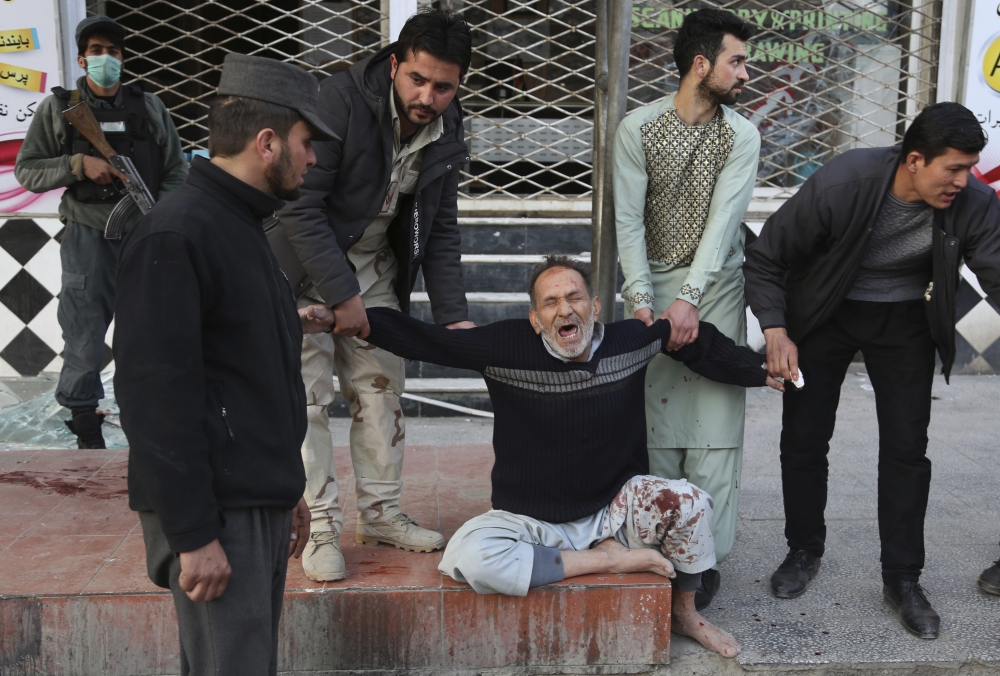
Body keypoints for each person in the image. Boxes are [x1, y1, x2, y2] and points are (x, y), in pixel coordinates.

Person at [355, 254, 785, 658]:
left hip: (612, 513)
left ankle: (686, 613)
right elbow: (425, 340)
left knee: (690, 502)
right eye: (551, 302)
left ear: (595, 305)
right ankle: (608, 560)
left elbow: (691, 339)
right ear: (535, 318)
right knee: (468, 556)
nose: (565, 309)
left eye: (574, 297)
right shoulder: (505, 346)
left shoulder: (629, 341)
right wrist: (355, 319)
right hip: (532, 521)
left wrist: (759, 369)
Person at [114, 54, 341, 675]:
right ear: (267, 143)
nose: (313, 158)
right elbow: (154, 398)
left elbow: (247, 372)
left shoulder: (242, 228)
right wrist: (192, 533)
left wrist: (282, 490)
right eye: (305, 143)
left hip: (250, 501)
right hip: (214, 515)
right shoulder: (178, 233)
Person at [744, 102, 1000, 639]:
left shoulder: (975, 202)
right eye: (952, 168)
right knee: (806, 438)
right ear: (914, 159)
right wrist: (775, 329)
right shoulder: (846, 181)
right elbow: (768, 256)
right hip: (824, 314)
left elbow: (998, 273)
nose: (963, 179)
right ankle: (803, 549)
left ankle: (903, 578)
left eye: (969, 167)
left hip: (906, 319)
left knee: (907, 449)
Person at [271, 9, 474, 582]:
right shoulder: (339, 101)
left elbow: (440, 224)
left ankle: (381, 514)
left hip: (377, 267)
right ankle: (321, 527)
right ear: (394, 65)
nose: (428, 96)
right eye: (418, 79)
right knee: (307, 401)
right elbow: (299, 206)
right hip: (303, 268)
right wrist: (339, 296)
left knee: (382, 391)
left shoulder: (448, 122)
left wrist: (454, 316)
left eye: (444, 86)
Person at [612, 8, 759, 609]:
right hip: (648, 291)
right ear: (702, 65)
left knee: (715, 432)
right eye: (737, 61)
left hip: (716, 290)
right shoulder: (637, 129)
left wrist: (691, 301)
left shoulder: (741, 134)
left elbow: (724, 223)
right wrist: (644, 302)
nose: (745, 74)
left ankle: (708, 561)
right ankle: (659, 550)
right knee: (658, 427)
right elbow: (627, 220)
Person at [14, 15, 187, 449]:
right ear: (80, 58)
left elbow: (176, 171)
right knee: (85, 333)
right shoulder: (59, 109)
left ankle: (147, 420)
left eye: (113, 51)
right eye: (96, 51)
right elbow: (27, 171)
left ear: (123, 58)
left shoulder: (148, 107)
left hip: (144, 235)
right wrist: (78, 165)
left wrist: (160, 213)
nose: (105, 59)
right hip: (89, 237)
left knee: (147, 330)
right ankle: (83, 420)